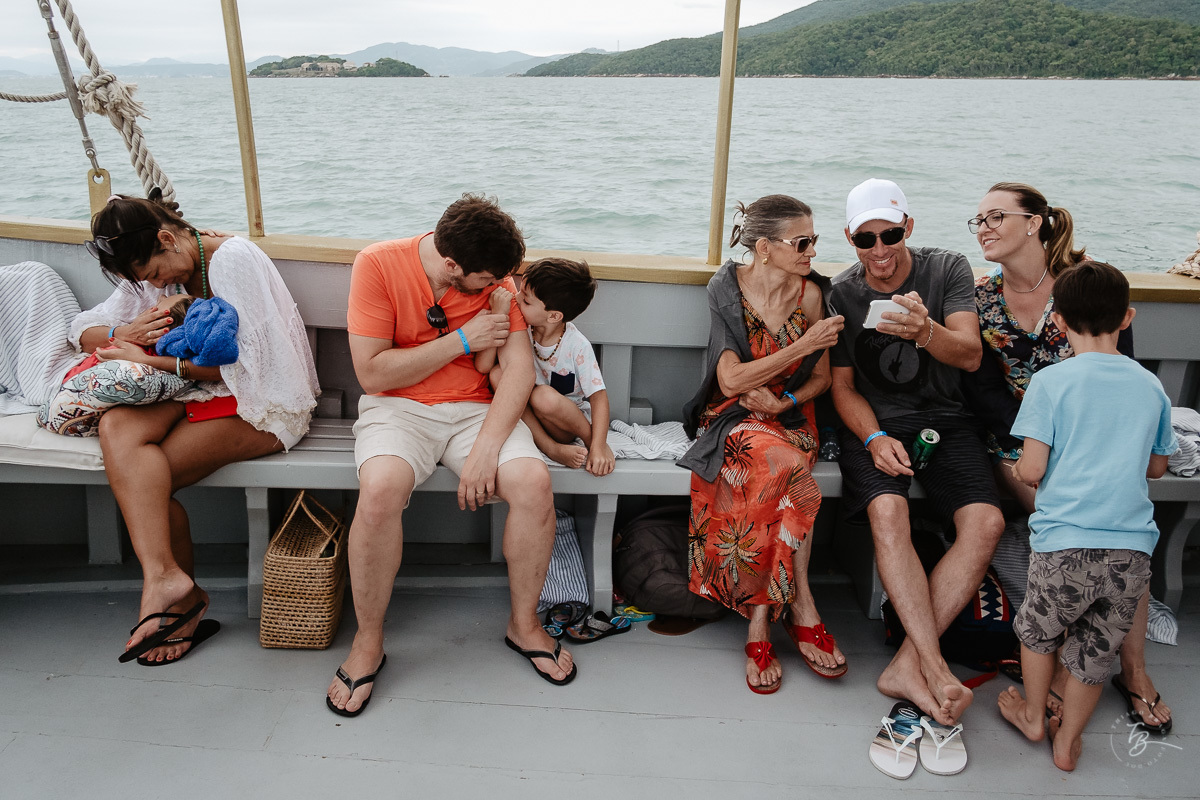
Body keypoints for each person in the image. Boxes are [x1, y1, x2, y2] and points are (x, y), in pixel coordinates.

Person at [332, 193, 572, 717]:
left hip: (476, 413)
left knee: (533, 484)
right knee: (378, 494)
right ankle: (368, 640)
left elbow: (519, 374)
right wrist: (462, 340)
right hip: (398, 410)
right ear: (451, 265)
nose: (497, 289)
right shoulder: (377, 264)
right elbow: (372, 373)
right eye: (485, 281)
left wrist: (487, 450)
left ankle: (524, 624)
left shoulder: (499, 279)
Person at [965, 181, 1172, 733]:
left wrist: (1074, 441)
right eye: (977, 219)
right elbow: (983, 391)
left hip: (1091, 438)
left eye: (995, 216)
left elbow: (1119, 375)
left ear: (1033, 222)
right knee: (1087, 510)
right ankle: (1070, 659)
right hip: (1017, 439)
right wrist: (1040, 435)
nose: (982, 227)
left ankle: (1133, 668)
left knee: (1112, 506)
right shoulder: (981, 297)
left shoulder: (1085, 283)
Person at [79, 192, 319, 665]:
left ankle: (181, 601)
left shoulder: (230, 260)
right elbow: (83, 326)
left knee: (143, 480)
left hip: (265, 404)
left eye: (153, 274)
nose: (154, 285)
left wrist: (150, 359)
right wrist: (118, 335)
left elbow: (253, 368)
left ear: (167, 239)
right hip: (195, 391)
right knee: (118, 427)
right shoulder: (152, 269)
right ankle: (164, 577)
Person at [828, 178, 1004, 725]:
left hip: (947, 422)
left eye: (890, 234)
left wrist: (925, 331)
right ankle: (932, 663)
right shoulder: (841, 293)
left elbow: (970, 355)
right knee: (888, 509)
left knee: (987, 521)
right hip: (878, 426)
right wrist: (875, 438)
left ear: (909, 226)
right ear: (850, 238)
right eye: (865, 239)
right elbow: (843, 388)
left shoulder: (945, 268)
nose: (879, 251)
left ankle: (909, 663)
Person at [997, 260, 1176, 771]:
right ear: (1128, 318)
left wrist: (1017, 470)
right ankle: (1068, 741)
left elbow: (1032, 469)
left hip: (1063, 546)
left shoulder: (1051, 384)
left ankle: (1035, 715)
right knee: (1096, 655)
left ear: (1057, 322)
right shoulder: (1151, 387)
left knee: (1038, 634)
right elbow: (1158, 467)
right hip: (1131, 553)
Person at [679, 195, 846, 694]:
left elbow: (820, 380)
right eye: (803, 242)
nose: (813, 250)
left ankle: (763, 621)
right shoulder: (727, 289)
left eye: (815, 240)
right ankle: (798, 606)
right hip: (732, 418)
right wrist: (803, 344)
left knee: (785, 464)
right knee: (784, 468)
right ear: (767, 247)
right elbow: (730, 381)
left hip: (791, 418)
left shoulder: (812, 295)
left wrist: (784, 399)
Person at [481, 257, 614, 476]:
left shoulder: (577, 346)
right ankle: (549, 448)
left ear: (553, 316)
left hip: (563, 422)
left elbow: (598, 397)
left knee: (543, 396)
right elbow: (485, 367)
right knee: (498, 375)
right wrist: (498, 316)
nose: (516, 298)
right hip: (531, 418)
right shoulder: (522, 329)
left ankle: (587, 442)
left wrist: (597, 444)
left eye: (526, 300)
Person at [38, 294, 199, 436]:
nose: (160, 297)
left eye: (157, 307)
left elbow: (75, 379)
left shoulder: (125, 352)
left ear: (159, 330)